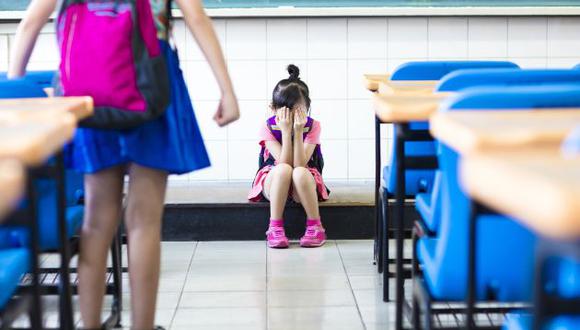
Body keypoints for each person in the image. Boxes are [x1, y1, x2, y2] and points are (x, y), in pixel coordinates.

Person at [8, 0, 239, 329]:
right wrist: (227, 91)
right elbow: (195, 16)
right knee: (143, 221)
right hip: (152, 84)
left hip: (91, 91)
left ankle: (89, 325)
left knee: (96, 221)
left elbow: (32, 21)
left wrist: (15, 91)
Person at [248, 65, 329, 249]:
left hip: (302, 184)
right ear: (273, 108)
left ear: (307, 107)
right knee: (284, 169)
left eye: (298, 111)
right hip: (275, 181)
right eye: (286, 111)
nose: (292, 117)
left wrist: (298, 132)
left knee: (299, 172)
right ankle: (275, 227)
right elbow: (284, 164)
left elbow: (300, 164)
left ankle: (316, 226)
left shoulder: (313, 126)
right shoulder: (267, 127)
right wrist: (286, 132)